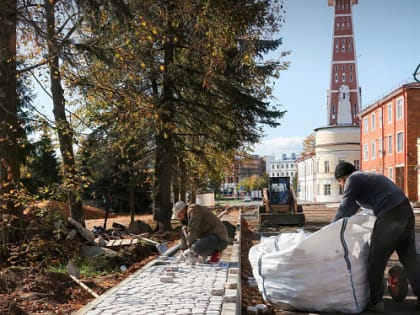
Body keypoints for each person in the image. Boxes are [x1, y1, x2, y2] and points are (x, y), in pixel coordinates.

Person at [333, 161, 420, 313]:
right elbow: (351, 209)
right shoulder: (365, 179)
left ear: (344, 177)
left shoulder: (354, 179)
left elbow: (344, 208)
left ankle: (375, 302)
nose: (342, 185)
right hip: (406, 212)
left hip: (391, 215)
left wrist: (331, 228)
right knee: (410, 259)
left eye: (340, 181)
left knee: (375, 260)